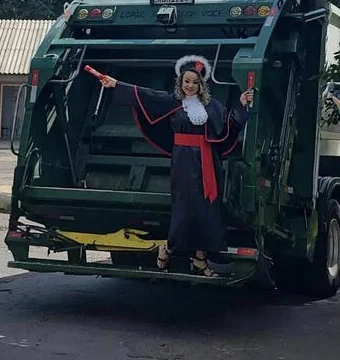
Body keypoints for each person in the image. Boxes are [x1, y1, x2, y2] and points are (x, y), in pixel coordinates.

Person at [96, 55, 254, 277]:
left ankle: (200, 259)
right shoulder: (171, 102)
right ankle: (168, 247)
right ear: (180, 82)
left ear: (201, 85)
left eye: (194, 82)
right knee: (186, 208)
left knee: (207, 210)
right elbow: (145, 95)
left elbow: (229, 125)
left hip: (208, 162)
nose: (190, 86)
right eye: (186, 81)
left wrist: (241, 104)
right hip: (184, 162)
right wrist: (116, 84)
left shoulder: (212, 106)